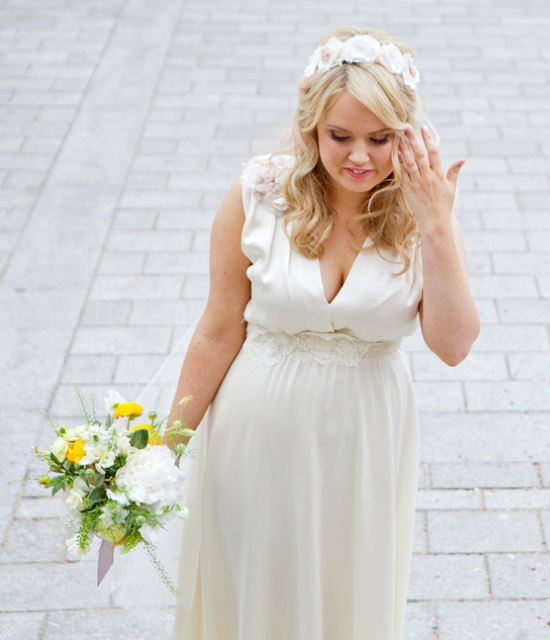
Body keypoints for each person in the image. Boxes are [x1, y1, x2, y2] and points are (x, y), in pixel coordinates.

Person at [161, 26, 480, 639]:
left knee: (344, 595)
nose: (360, 157)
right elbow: (219, 328)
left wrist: (437, 227)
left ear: (406, 134)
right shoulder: (257, 195)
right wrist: (161, 448)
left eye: (379, 139)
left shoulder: (424, 212)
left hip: (361, 444)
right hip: (257, 439)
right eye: (341, 136)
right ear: (311, 127)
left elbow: (454, 344)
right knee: (257, 591)